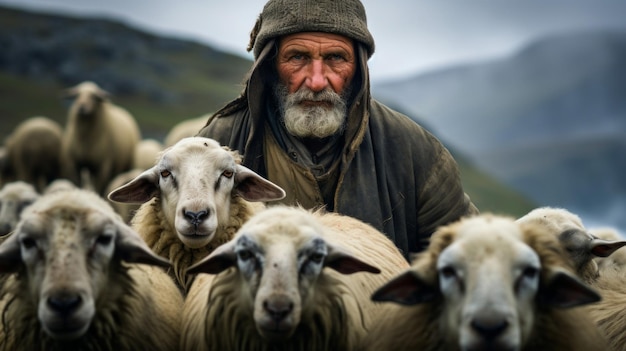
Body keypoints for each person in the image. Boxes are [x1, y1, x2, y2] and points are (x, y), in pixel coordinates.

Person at [198, 0, 478, 259]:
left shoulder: (413, 150)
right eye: (297, 57)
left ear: (358, 68)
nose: (317, 81)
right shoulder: (215, 146)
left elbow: (467, 259)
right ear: (270, 66)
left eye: (335, 58)